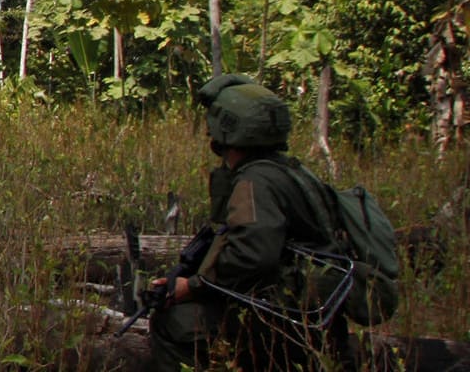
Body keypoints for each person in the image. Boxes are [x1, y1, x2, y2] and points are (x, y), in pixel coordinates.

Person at [149, 74, 352, 371]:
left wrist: (191, 287)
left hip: (286, 317)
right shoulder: (290, 172)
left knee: (172, 324)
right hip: (313, 313)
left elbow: (252, 254)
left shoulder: (255, 181)